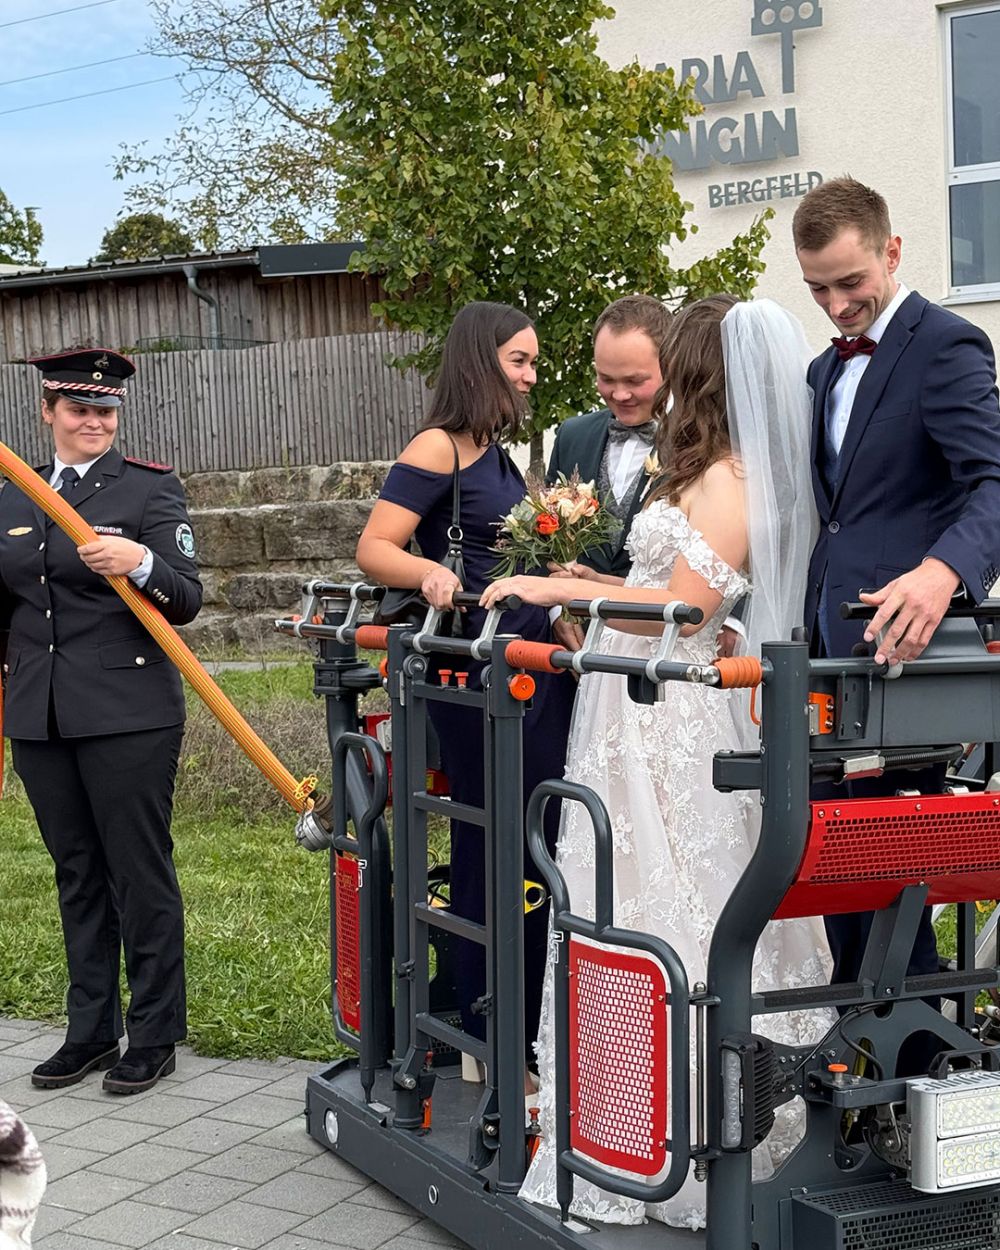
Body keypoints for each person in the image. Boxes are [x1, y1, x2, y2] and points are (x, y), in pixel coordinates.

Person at [482, 296, 833, 1229]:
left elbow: (681, 612)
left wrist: (553, 584)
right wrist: (598, 586)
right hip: (633, 710)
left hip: (668, 719)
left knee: (671, 900)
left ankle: (689, 1136)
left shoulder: (730, 477)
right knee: (618, 895)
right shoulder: (703, 470)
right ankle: (621, 1123)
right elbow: (650, 592)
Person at [793, 177, 1000, 1004]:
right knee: (837, 877)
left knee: (893, 881)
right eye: (818, 289)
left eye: (851, 283)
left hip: (910, 663)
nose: (838, 305)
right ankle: (862, 1067)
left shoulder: (947, 344)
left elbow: (993, 481)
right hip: (826, 656)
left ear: (892, 252)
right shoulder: (818, 370)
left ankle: (916, 1081)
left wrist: (942, 572)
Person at [356, 303, 575, 1074]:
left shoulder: (498, 455)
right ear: (481, 360)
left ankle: (513, 1015)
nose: (529, 376)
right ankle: (489, 1022)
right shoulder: (439, 446)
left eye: (533, 363)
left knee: (533, 837)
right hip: (473, 672)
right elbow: (374, 546)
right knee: (495, 839)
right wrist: (428, 573)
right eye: (519, 360)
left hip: (530, 663)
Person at [0, 349, 202, 1095]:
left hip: (129, 715)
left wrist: (140, 561)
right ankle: (89, 1030)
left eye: (105, 410)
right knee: (76, 874)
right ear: (47, 413)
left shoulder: (148, 489)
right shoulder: (12, 498)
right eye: (79, 408)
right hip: (41, 715)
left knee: (137, 873)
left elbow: (187, 595)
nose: (94, 421)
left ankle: (153, 1034)